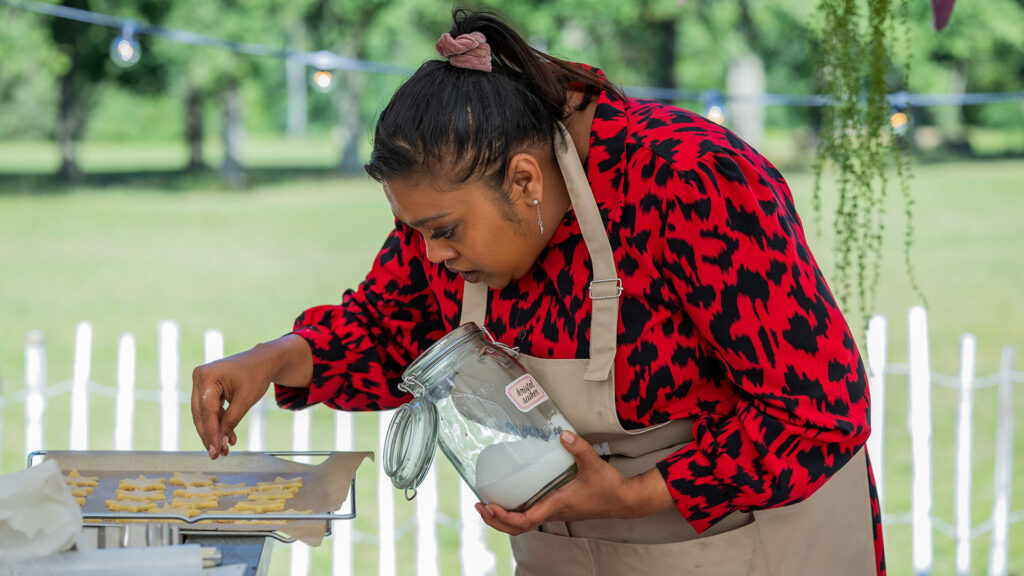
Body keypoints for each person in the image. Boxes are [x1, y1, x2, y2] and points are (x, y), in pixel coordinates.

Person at [191, 8, 884, 575]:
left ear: (525, 180)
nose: (430, 253)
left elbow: (819, 410)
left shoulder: (691, 181)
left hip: (758, 547)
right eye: (415, 231)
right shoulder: (449, 216)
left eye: (443, 230)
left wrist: (634, 494)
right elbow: (385, 330)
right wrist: (279, 356)